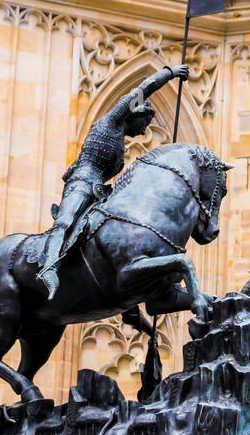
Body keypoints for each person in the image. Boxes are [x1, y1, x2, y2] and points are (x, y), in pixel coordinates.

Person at [36, 64, 189, 299]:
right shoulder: (113, 121)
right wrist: (170, 73)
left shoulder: (120, 143)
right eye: (143, 126)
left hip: (100, 193)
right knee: (65, 222)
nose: (142, 132)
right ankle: (49, 267)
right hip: (82, 181)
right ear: (135, 115)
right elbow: (144, 88)